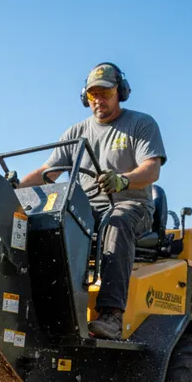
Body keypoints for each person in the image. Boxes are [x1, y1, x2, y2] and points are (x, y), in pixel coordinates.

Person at [20, 63, 167, 340]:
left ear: (120, 92)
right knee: (44, 223)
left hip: (130, 205)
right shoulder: (76, 133)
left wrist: (123, 180)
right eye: (93, 95)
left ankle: (111, 315)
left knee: (116, 223)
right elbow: (47, 172)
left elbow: (152, 169)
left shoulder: (140, 124)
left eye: (105, 93)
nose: (98, 100)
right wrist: (12, 189)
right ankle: (41, 309)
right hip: (86, 208)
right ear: (85, 97)